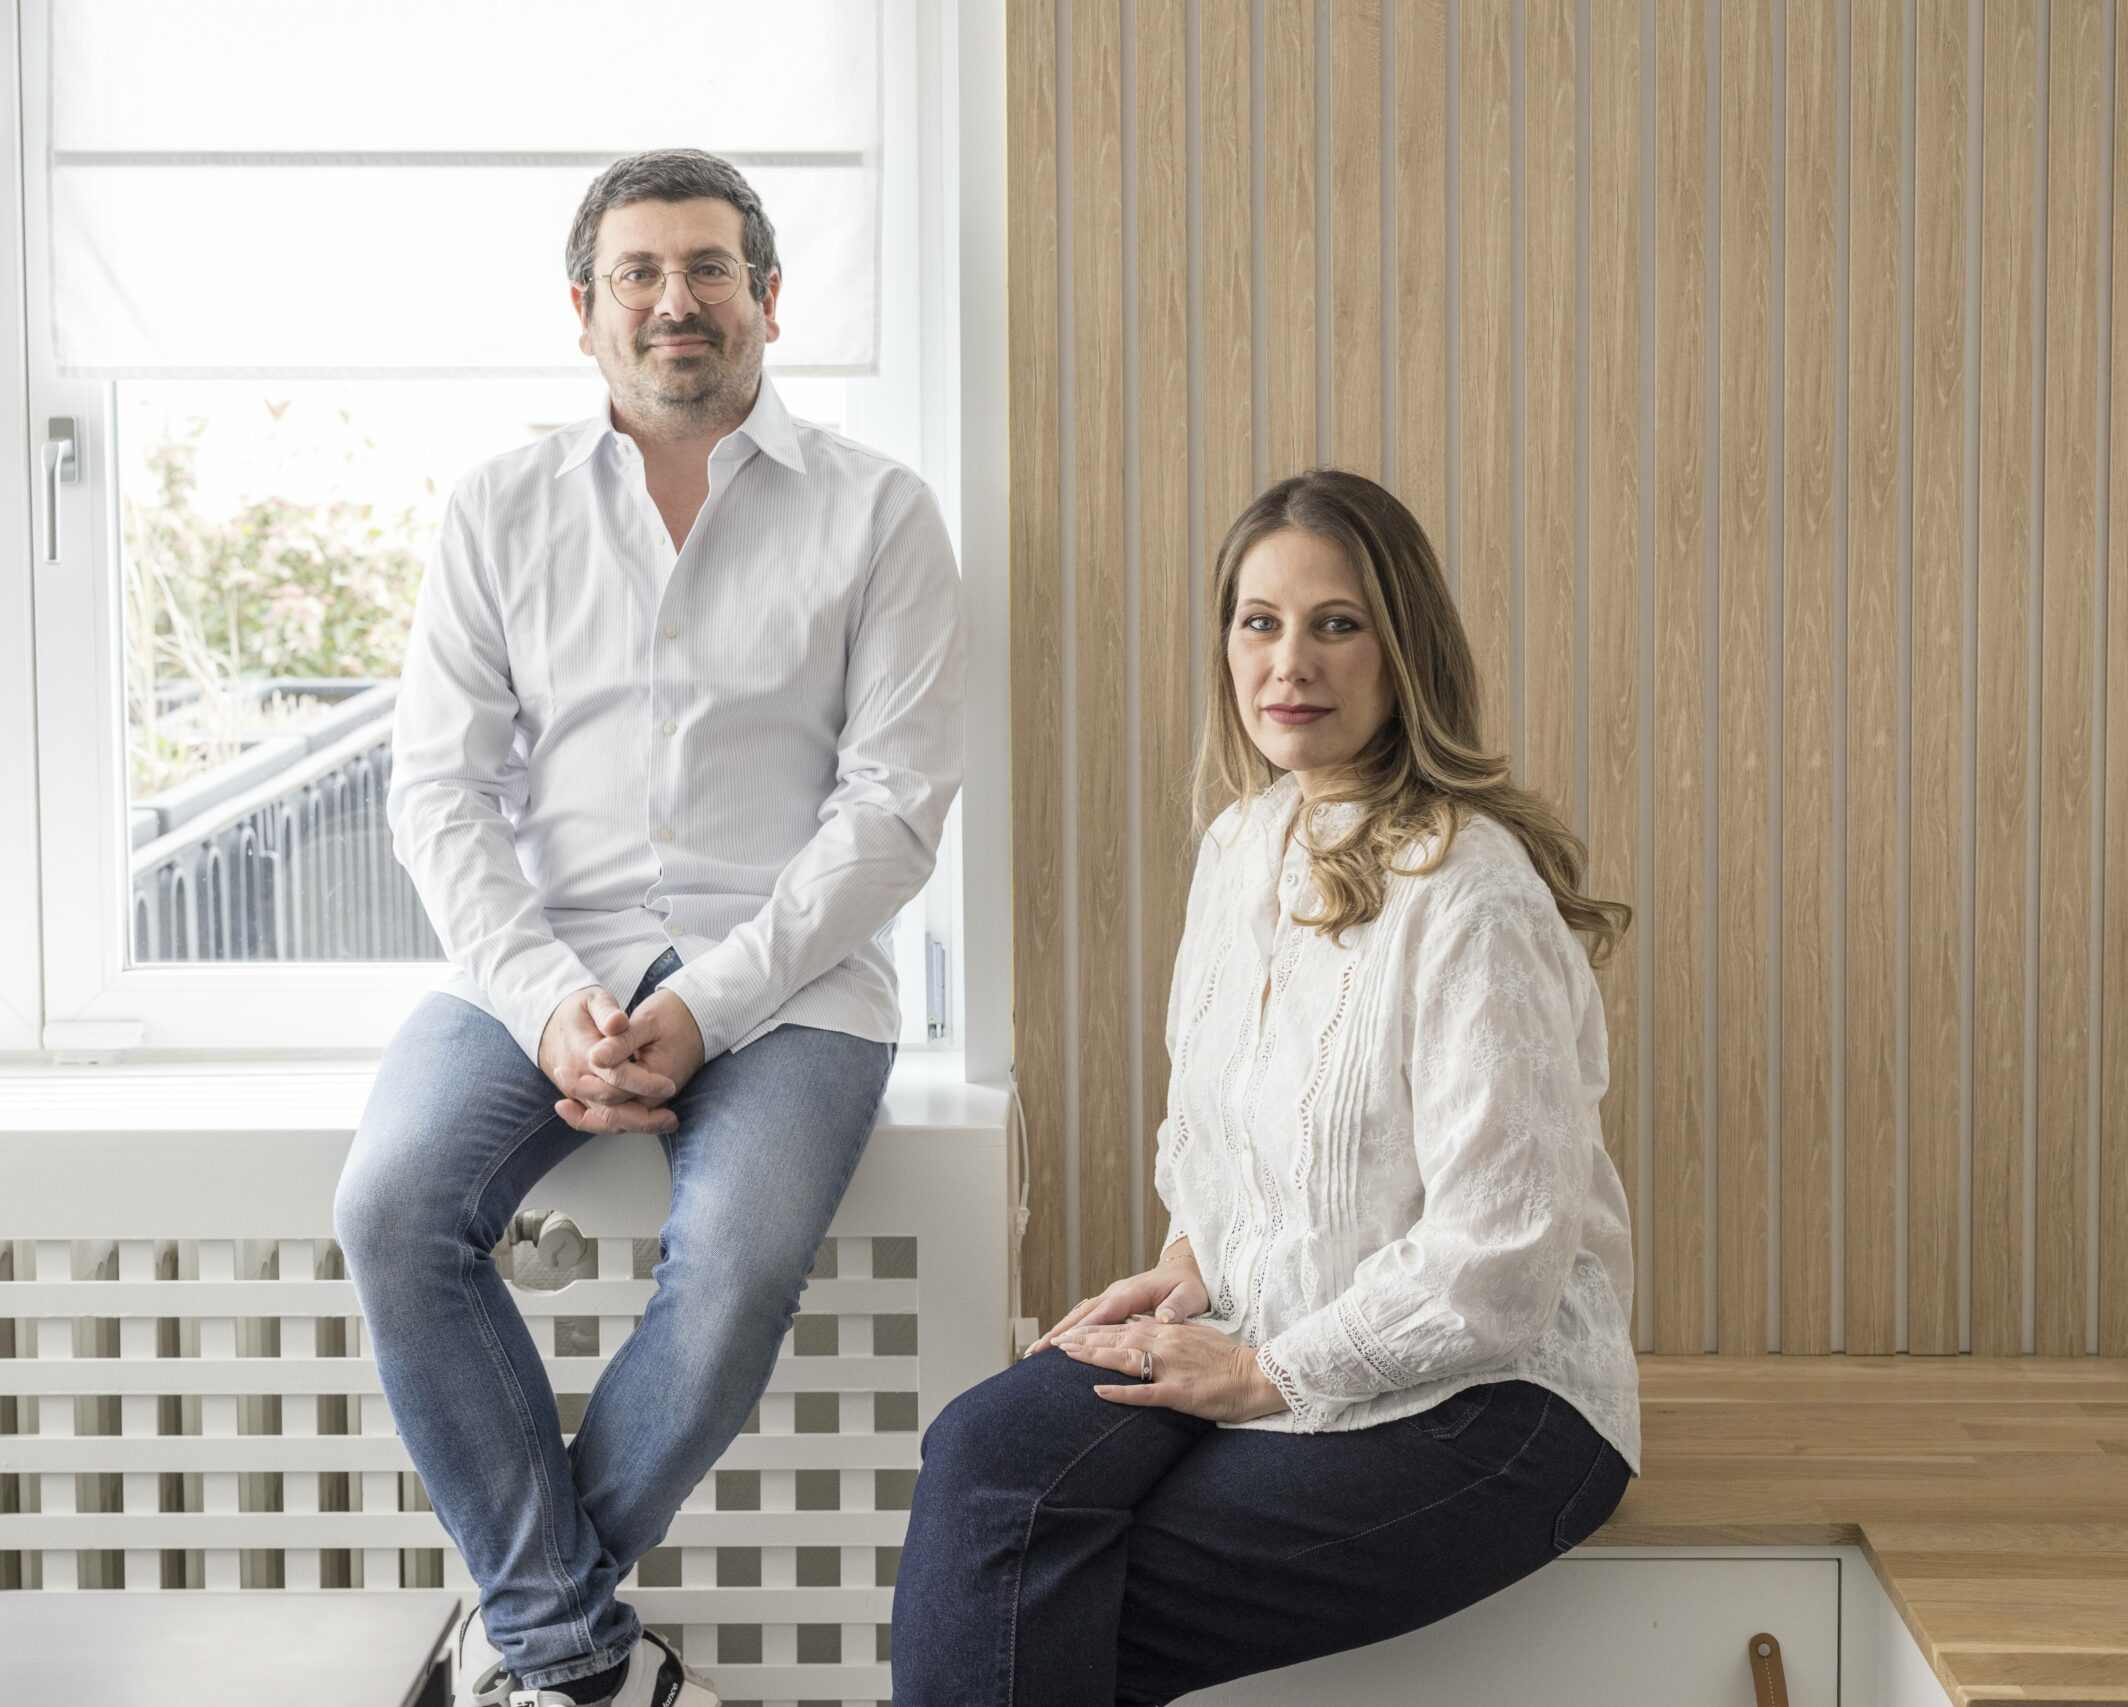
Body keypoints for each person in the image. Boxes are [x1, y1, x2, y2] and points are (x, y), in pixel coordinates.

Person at [335, 149, 965, 1707]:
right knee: (392, 1204)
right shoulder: (498, 510)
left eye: (707, 268)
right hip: (541, 958)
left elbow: (893, 811)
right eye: (639, 271)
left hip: (794, 975)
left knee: (737, 1263)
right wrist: (552, 1001)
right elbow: (440, 792)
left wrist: (708, 1006)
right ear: (585, 309)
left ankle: (526, 1637)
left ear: (767, 299)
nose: (675, 299)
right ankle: (574, 1650)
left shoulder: (880, 511)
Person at [891, 469, 1638, 1706]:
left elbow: (1498, 1259)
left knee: (1029, 1597)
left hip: (1493, 1404)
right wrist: (1193, 1256)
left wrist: (1259, 1379)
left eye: (1336, 624)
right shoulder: (1242, 844)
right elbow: (1217, 1128)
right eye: (1259, 622)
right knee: (980, 1449)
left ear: (1403, 652)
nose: (1290, 662)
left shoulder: (1471, 894)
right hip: (1250, 1317)